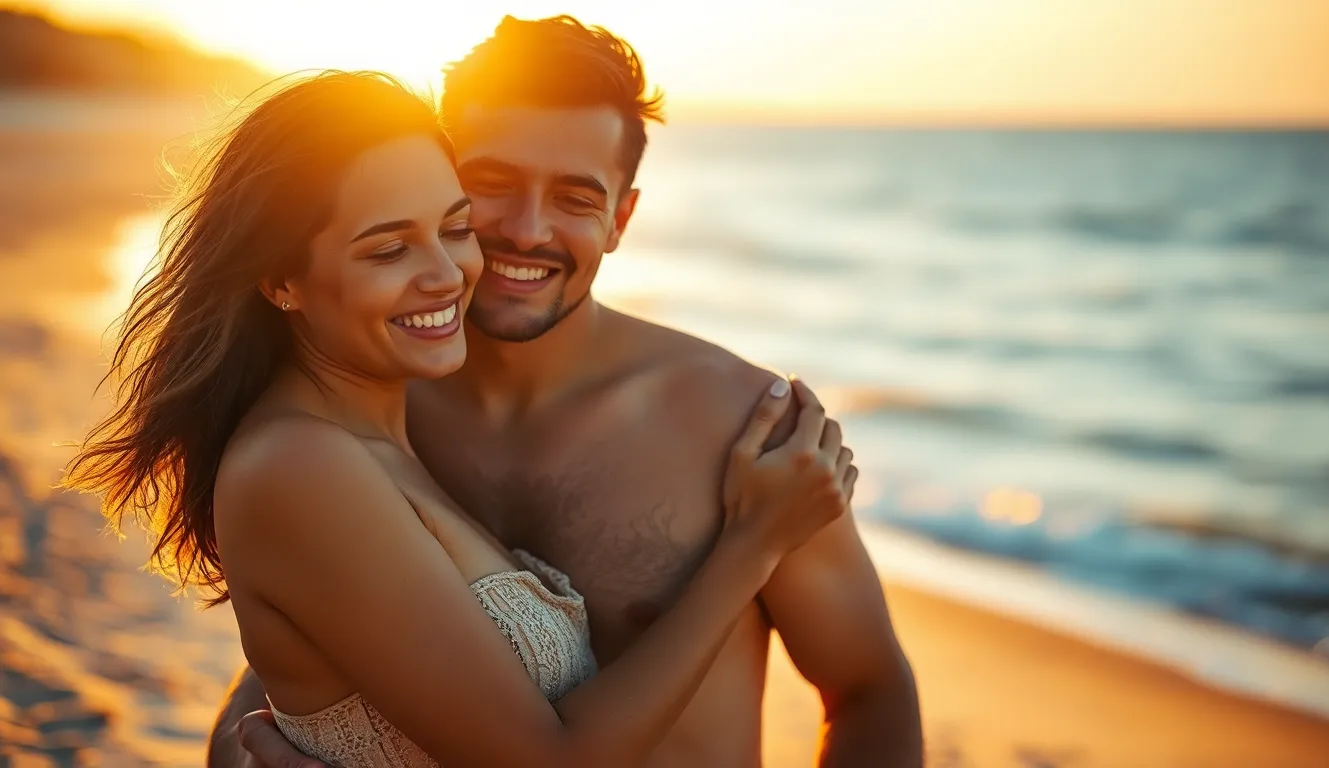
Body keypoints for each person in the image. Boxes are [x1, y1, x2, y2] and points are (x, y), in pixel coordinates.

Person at [64, 69, 859, 767]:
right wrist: (752, 547)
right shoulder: (307, 456)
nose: (456, 268)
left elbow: (335, 665)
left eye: (451, 227)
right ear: (281, 278)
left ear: (623, 216)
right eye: (388, 249)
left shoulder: (388, 419)